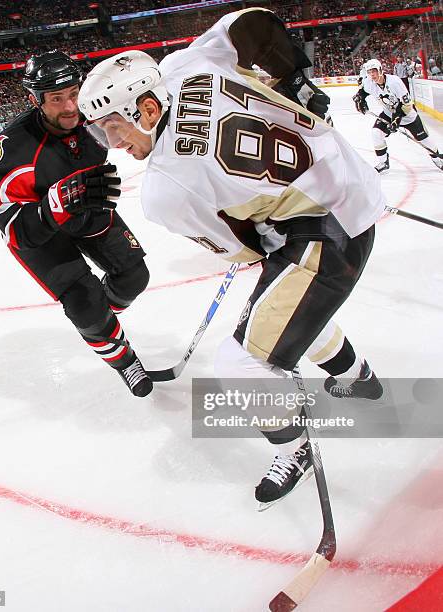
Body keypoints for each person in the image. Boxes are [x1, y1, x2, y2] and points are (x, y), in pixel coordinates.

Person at [78, 8, 385, 509]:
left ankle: (295, 448)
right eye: (99, 134)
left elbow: (244, 247)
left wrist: (268, 234)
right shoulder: (184, 66)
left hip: (332, 228)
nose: (111, 145)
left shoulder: (165, 189)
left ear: (148, 110)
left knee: (241, 361)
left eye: (112, 128)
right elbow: (251, 23)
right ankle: (357, 377)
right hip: (344, 171)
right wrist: (293, 77)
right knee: (281, 311)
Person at [0, 50, 152, 397]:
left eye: (74, 93)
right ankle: (120, 354)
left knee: (135, 276)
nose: (71, 106)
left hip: (87, 209)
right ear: (36, 100)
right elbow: (12, 229)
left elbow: (142, 134)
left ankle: (102, 321)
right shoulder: (11, 149)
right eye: (57, 99)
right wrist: (53, 206)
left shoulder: (96, 114)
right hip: (40, 231)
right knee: (85, 304)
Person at [353, 58, 443, 173]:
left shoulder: (395, 82)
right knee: (376, 133)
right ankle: (383, 162)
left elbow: (407, 105)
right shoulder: (369, 82)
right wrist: (360, 98)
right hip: (388, 114)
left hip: (408, 116)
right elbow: (363, 90)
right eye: (369, 72)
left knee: (424, 140)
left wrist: (396, 119)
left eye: (374, 71)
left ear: (380, 70)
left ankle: (438, 160)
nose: (371, 74)